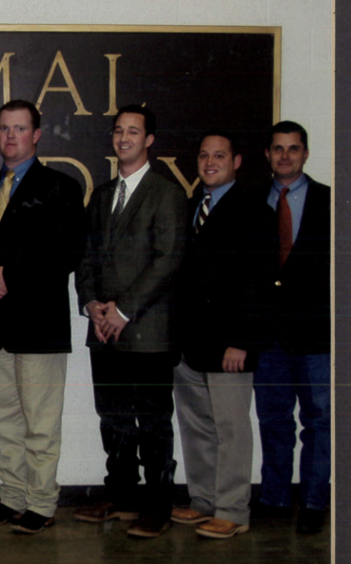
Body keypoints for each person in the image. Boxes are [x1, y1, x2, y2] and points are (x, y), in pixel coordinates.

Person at [0, 100, 86, 535]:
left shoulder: (61, 187)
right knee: (6, 420)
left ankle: (41, 503)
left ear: (37, 134)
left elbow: (67, 252)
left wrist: (10, 276)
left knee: (40, 422)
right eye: (4, 128)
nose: (10, 136)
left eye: (19, 128)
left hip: (39, 323)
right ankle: (12, 498)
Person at [74, 105, 187, 539]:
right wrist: (93, 306)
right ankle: (120, 496)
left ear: (149, 140)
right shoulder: (102, 195)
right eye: (119, 130)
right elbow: (86, 259)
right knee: (113, 418)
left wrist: (122, 310)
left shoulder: (166, 193)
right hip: (103, 330)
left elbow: (167, 261)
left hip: (149, 332)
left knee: (153, 421)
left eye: (134, 131)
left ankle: (157, 506)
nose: (124, 138)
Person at [171, 132, 275, 539]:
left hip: (231, 343)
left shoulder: (255, 211)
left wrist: (243, 340)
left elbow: (259, 282)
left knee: (231, 429)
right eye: (203, 155)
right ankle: (203, 501)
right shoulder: (190, 207)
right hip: (190, 342)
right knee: (196, 427)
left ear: (237, 162)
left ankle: (232, 510)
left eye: (219, 156)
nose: (209, 162)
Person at [253, 120, 331, 535]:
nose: (285, 155)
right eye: (278, 149)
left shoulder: (330, 201)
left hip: (316, 334)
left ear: (305, 153)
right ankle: (276, 498)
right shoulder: (252, 203)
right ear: (267, 154)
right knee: (274, 419)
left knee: (319, 420)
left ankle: (315, 502)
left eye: (293, 148)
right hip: (268, 334)